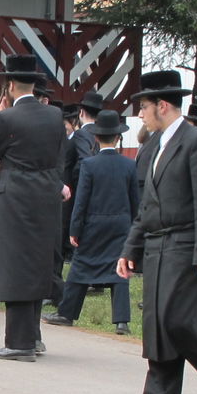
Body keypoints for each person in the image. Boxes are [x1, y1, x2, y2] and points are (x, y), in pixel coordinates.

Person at [117, 70, 197, 394]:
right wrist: (130, 249)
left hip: (186, 244)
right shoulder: (154, 145)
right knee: (157, 323)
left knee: (177, 321)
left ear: (163, 106)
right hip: (157, 245)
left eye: (144, 106)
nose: (140, 114)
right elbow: (147, 206)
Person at [0, 54, 67, 361]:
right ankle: (34, 336)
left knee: (15, 266)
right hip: (46, 195)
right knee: (39, 264)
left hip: (16, 197)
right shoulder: (54, 115)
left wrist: (3, 163)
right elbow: (56, 155)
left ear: (11, 85)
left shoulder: (7, 118)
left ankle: (19, 342)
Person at [44, 108, 137, 333]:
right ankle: (122, 321)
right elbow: (135, 199)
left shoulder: (89, 165)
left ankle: (66, 313)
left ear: (96, 138)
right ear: (118, 137)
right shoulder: (129, 165)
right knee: (120, 269)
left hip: (93, 224)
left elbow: (81, 201)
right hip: (121, 224)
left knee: (80, 267)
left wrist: (74, 229)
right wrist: (134, 228)